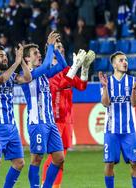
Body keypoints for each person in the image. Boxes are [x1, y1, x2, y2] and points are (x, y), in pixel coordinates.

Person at [20, 31, 82, 188]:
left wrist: (54, 49)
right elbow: (48, 64)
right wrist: (50, 46)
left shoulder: (44, 74)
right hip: (37, 123)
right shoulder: (27, 75)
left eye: (40, 52)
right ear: (27, 58)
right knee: (37, 159)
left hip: (50, 123)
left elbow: (62, 66)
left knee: (59, 158)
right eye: (35, 53)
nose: (39, 55)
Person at [41, 41, 95, 188]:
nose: (62, 50)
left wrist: (84, 68)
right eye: (58, 48)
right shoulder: (47, 71)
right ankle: (45, 185)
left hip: (67, 120)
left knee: (61, 158)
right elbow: (61, 84)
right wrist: (74, 67)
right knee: (54, 157)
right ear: (50, 52)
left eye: (62, 47)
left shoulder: (66, 70)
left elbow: (82, 86)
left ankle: (55, 186)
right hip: (54, 120)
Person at [0, 44, 31, 188]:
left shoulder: (12, 76)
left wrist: (21, 61)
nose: (5, 58)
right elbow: (1, 79)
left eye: (5, 56)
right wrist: (16, 63)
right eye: (1, 56)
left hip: (11, 126)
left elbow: (27, 78)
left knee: (19, 163)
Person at [99, 51, 136, 188]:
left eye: (126, 60)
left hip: (129, 130)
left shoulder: (132, 81)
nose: (125, 62)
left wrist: (134, 89)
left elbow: (135, 103)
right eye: (121, 60)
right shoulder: (107, 81)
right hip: (111, 131)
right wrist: (105, 87)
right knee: (109, 163)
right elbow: (105, 103)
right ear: (114, 64)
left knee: (135, 163)